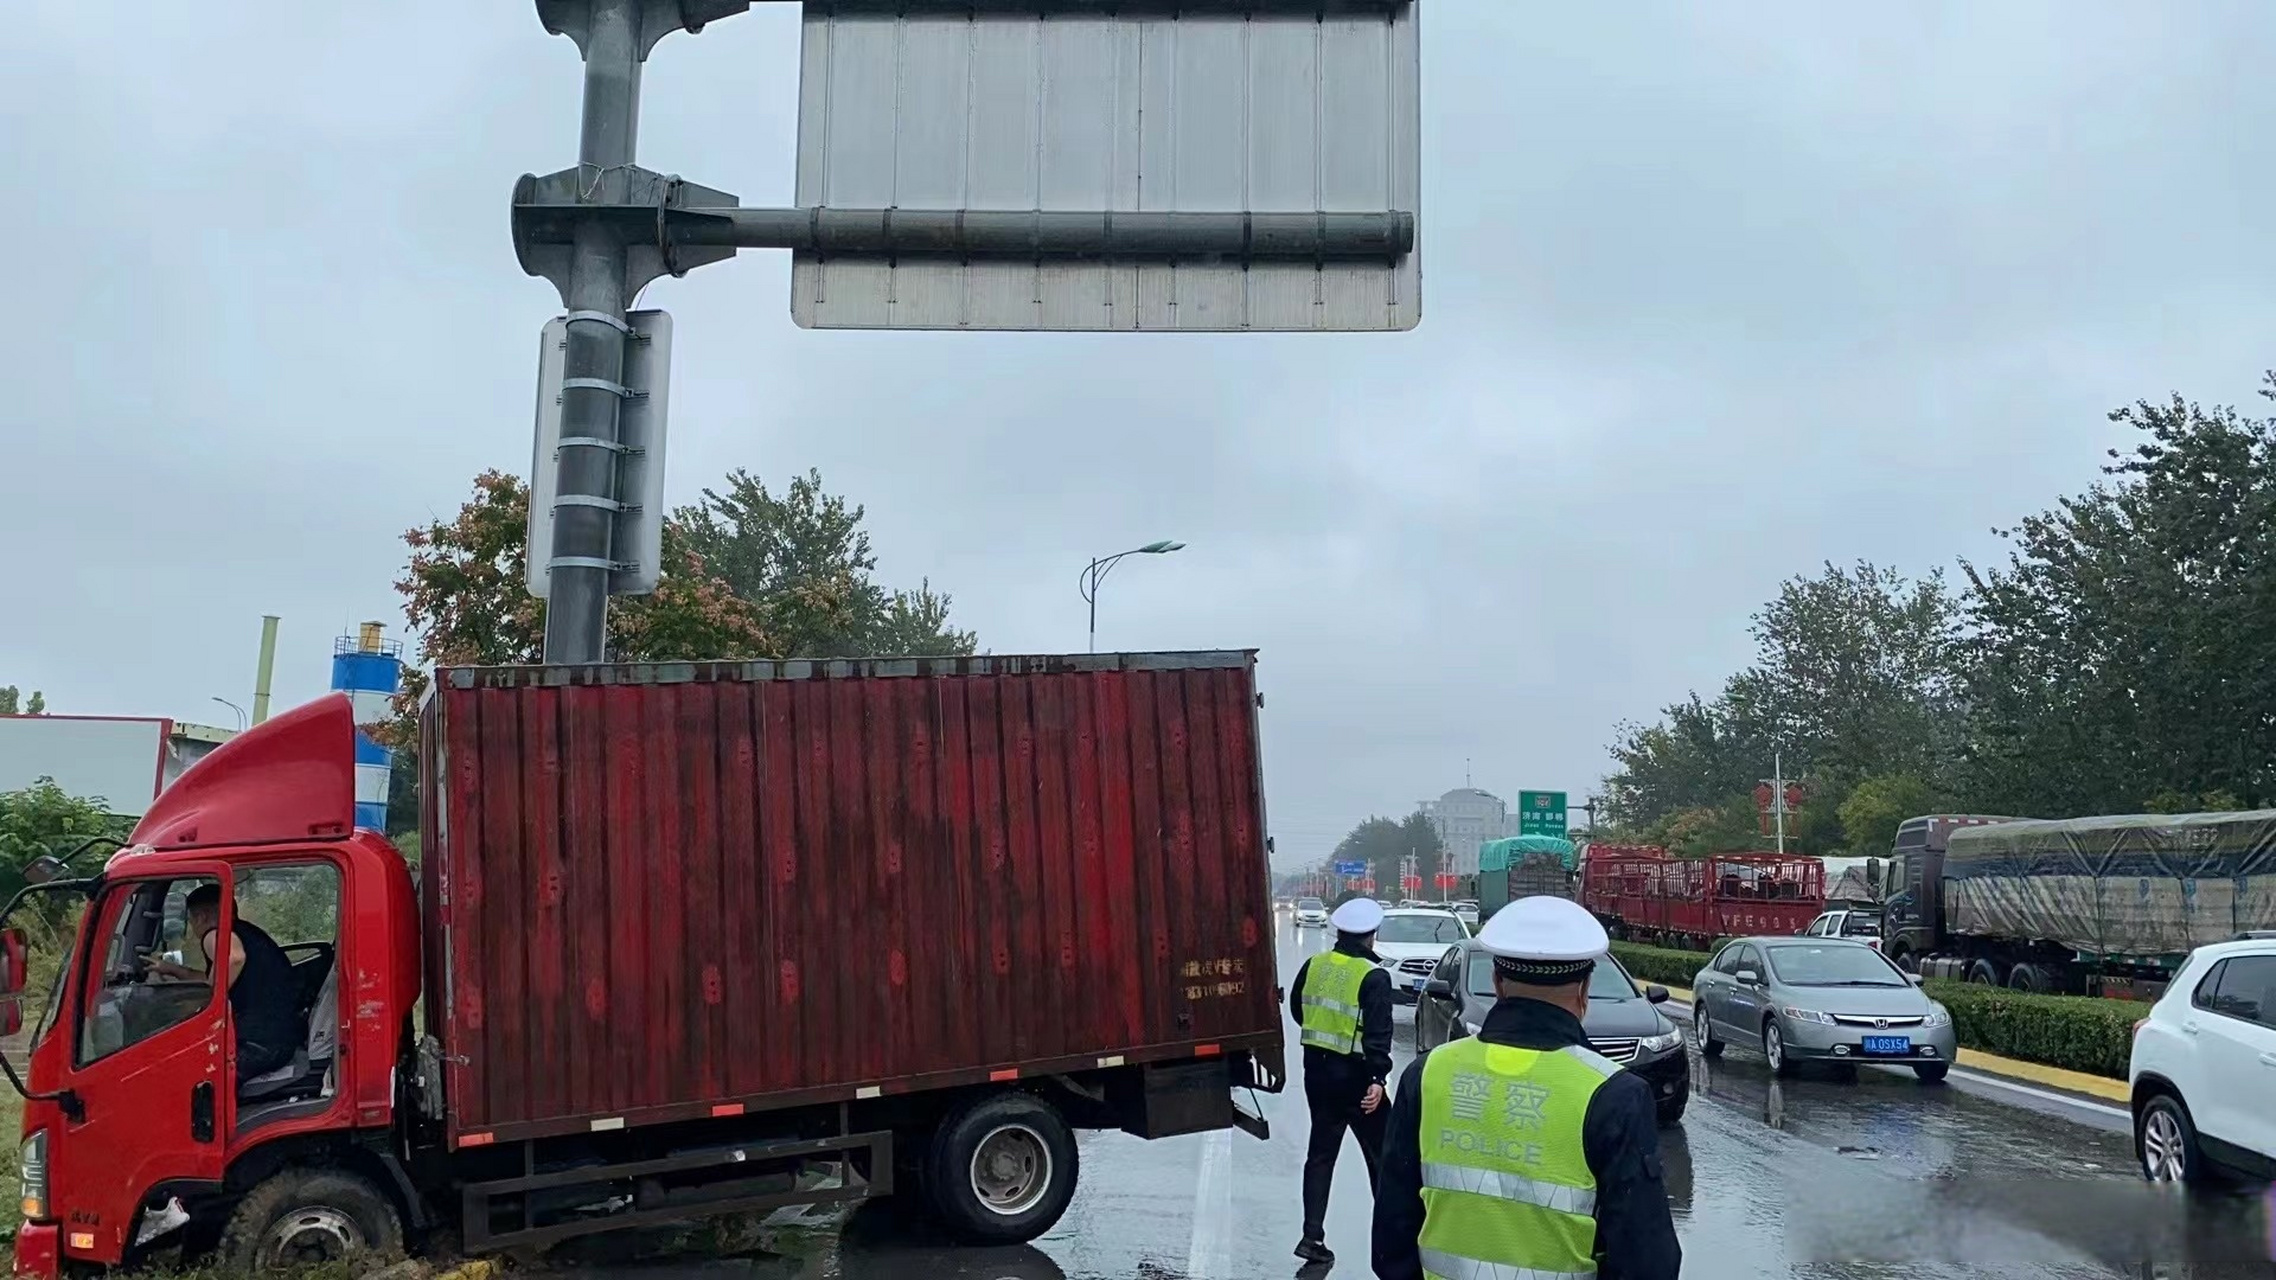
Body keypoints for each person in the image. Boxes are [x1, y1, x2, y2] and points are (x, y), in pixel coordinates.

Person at [1372, 895, 1681, 1280]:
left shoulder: (1427, 1074)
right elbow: (1647, 1261)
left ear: (1498, 984)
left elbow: (1391, 1238)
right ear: (1584, 991)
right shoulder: (1614, 1093)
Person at [1288, 896, 1395, 1265]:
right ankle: (1391, 1243)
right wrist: (1378, 1078)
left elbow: (1298, 1010)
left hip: (1316, 1073)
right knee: (1384, 1159)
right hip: (1357, 1078)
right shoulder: (1374, 976)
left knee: (1320, 1154)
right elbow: (1378, 1034)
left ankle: (1311, 1236)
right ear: (1372, 935)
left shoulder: (1314, 964)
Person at [146, 884, 299, 1079]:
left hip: (257, 1048)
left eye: (191, 920)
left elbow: (234, 958)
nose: (193, 928)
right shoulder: (249, 933)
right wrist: (171, 969)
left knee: (185, 1074)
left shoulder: (214, 933)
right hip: (279, 1039)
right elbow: (215, 976)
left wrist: (209, 1004)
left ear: (201, 918)